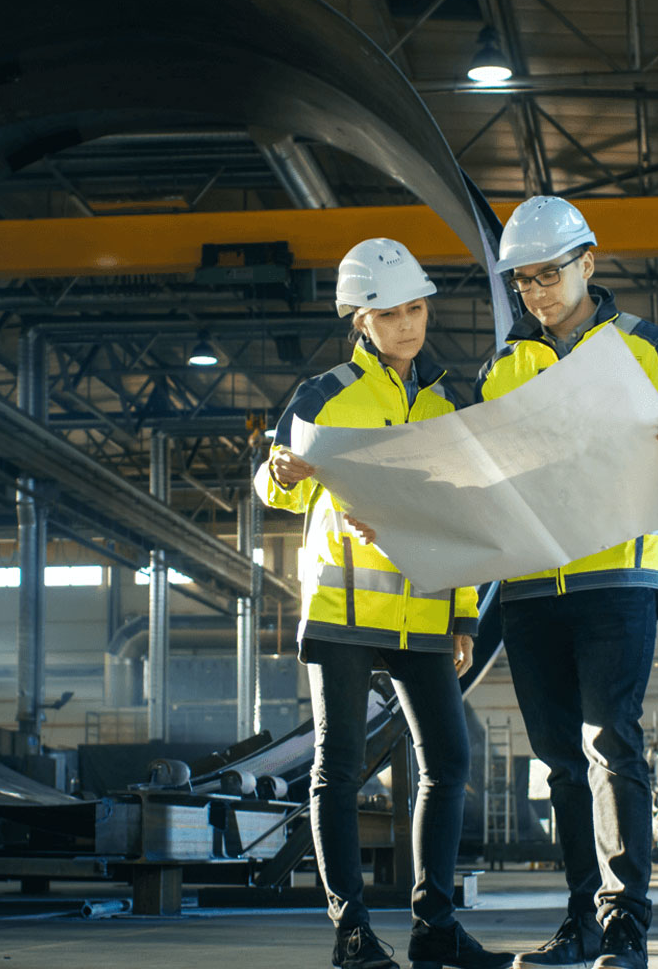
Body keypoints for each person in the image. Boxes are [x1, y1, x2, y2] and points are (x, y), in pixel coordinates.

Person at [479, 197, 658, 969]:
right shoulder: (500, 369)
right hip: (526, 590)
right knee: (559, 766)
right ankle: (580, 924)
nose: (536, 292)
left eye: (548, 274)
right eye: (522, 281)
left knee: (610, 746)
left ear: (589, 261)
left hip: (616, 580)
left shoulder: (652, 349)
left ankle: (626, 931)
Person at [255, 238, 511, 969]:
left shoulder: (446, 404)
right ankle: (353, 934)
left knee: (448, 763)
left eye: (417, 308)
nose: (408, 324)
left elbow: (464, 517)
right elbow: (278, 486)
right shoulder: (326, 393)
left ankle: (434, 926)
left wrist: (464, 615)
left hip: (426, 610)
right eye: (390, 313)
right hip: (343, 608)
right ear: (359, 319)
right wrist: (278, 471)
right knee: (338, 768)